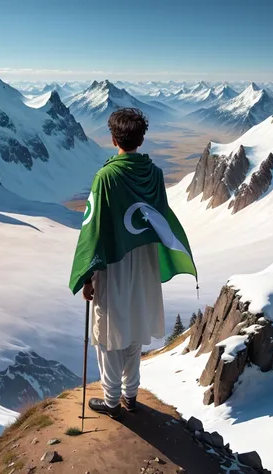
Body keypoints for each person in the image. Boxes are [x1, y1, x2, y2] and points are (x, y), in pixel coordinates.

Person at [69, 108, 197, 419]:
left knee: (110, 327)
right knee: (136, 323)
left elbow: (94, 229)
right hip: (145, 259)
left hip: (114, 261)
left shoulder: (106, 177)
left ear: (113, 139)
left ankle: (112, 401)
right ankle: (130, 395)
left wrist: (86, 275)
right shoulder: (154, 173)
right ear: (141, 138)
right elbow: (158, 216)